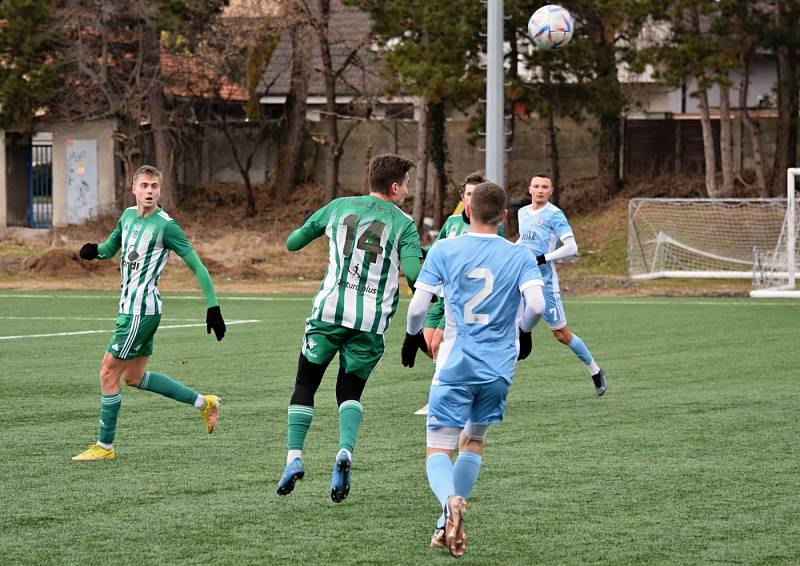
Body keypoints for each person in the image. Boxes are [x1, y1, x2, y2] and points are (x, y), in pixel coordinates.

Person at [403, 182, 545, 557]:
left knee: (438, 448)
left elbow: (418, 308)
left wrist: (411, 335)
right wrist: (523, 331)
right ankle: (444, 521)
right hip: (498, 368)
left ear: (468, 210)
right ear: (504, 215)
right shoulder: (520, 255)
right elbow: (537, 306)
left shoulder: (445, 249)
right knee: (474, 441)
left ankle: (448, 502)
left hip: (454, 364)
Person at [276, 153, 423, 503]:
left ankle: (294, 457)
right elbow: (416, 276)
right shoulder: (403, 224)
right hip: (369, 322)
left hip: (328, 312)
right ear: (394, 186)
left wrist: (311, 226)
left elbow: (292, 243)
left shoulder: (338, 206)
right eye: (406, 184)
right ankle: (344, 452)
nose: (407, 190)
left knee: (305, 385)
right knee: (349, 392)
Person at [72, 165, 227, 461]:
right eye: (144, 186)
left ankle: (104, 447)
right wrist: (95, 251)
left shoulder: (167, 227)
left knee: (107, 372)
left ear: (160, 190)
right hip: (132, 309)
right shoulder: (128, 217)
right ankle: (204, 403)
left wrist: (213, 306)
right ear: (133, 189)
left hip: (140, 311)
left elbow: (198, 265)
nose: (149, 191)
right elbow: (110, 247)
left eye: (154, 186)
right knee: (133, 376)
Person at [415, 171, 504, 416]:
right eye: (468, 194)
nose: (471, 198)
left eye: (476, 194)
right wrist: (417, 251)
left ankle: (440, 397)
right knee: (427, 340)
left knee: (438, 341)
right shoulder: (453, 223)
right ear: (463, 196)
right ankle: (459, 384)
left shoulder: (490, 226)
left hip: (463, 299)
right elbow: (436, 249)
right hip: (442, 294)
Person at [517, 172, 607, 396]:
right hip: (520, 278)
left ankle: (595, 370)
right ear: (529, 189)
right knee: (508, 328)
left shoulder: (555, 214)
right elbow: (523, 240)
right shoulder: (521, 213)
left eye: (544, 187)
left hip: (545, 282)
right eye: (536, 186)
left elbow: (571, 247)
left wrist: (543, 258)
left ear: (550, 191)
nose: (539, 190)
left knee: (562, 335)